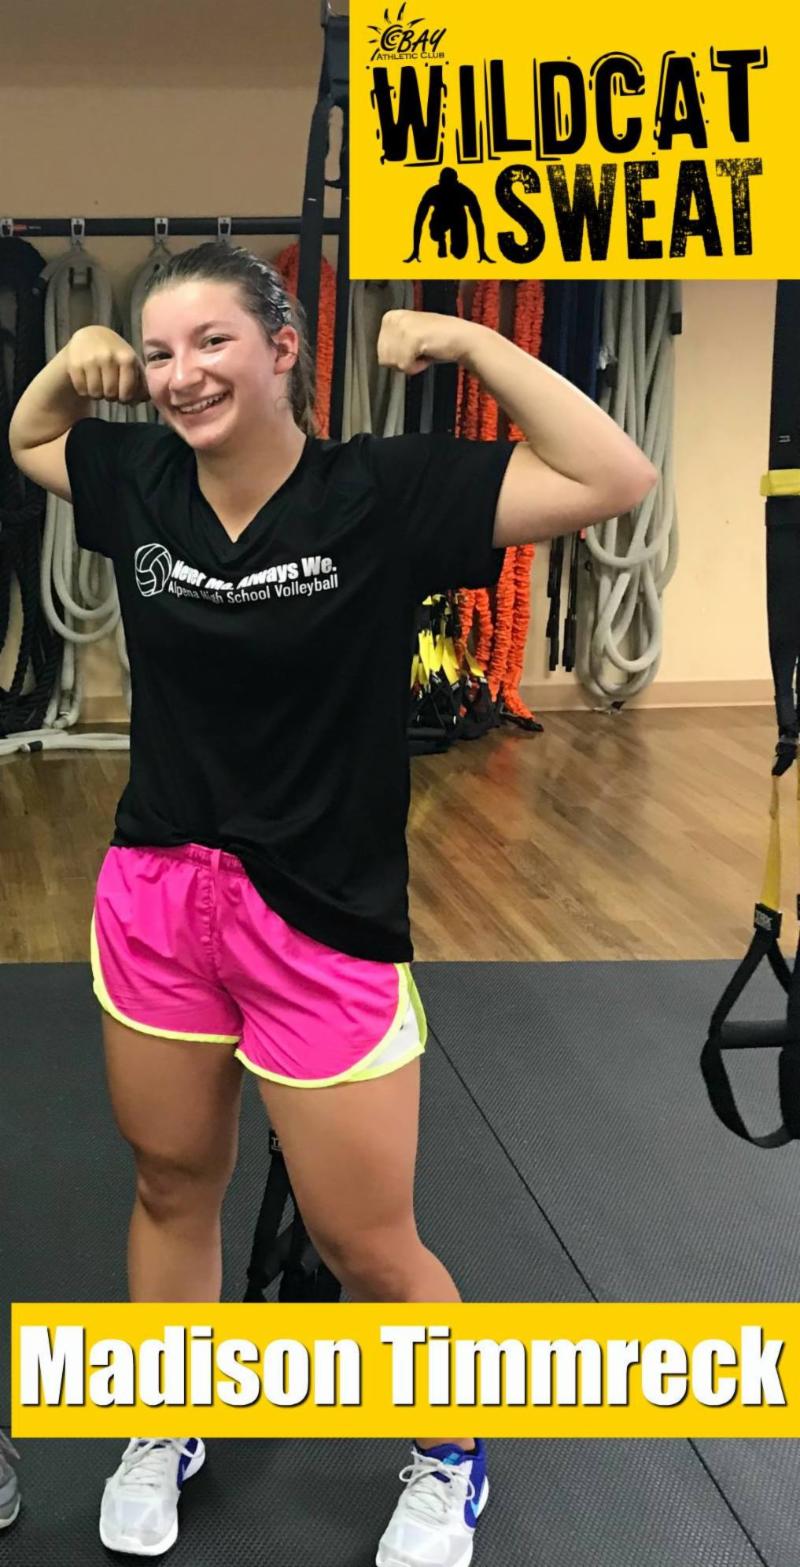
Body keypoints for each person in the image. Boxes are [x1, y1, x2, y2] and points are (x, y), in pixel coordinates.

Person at [9, 242, 656, 1566]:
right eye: (160, 350)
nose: (182, 375)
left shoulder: (380, 492)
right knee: (171, 1183)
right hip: (159, 896)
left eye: (213, 342)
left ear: (285, 348)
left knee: (367, 1241)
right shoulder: (136, 480)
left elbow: (613, 476)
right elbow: (28, 441)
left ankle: (450, 1456)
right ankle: (167, 1417)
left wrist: (474, 343)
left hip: (321, 914)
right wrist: (64, 372)